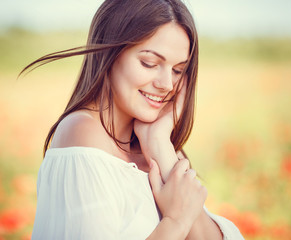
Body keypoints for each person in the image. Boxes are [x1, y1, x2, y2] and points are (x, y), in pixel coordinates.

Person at [23, 0, 244, 239]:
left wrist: (159, 142)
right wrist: (175, 222)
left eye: (178, 70)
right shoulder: (83, 134)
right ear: (110, 54)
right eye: (149, 63)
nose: (167, 84)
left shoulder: (156, 148)